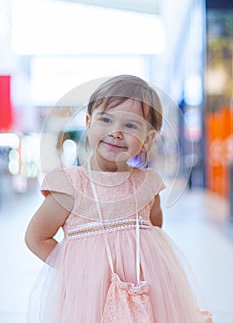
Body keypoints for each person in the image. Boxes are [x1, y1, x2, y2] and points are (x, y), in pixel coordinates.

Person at [25, 75, 213, 322]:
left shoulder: (147, 185)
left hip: (146, 293)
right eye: (105, 119)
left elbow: (154, 229)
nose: (116, 132)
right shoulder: (70, 185)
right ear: (88, 122)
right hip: (91, 299)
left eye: (131, 126)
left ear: (148, 139)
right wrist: (79, 270)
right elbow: (36, 237)